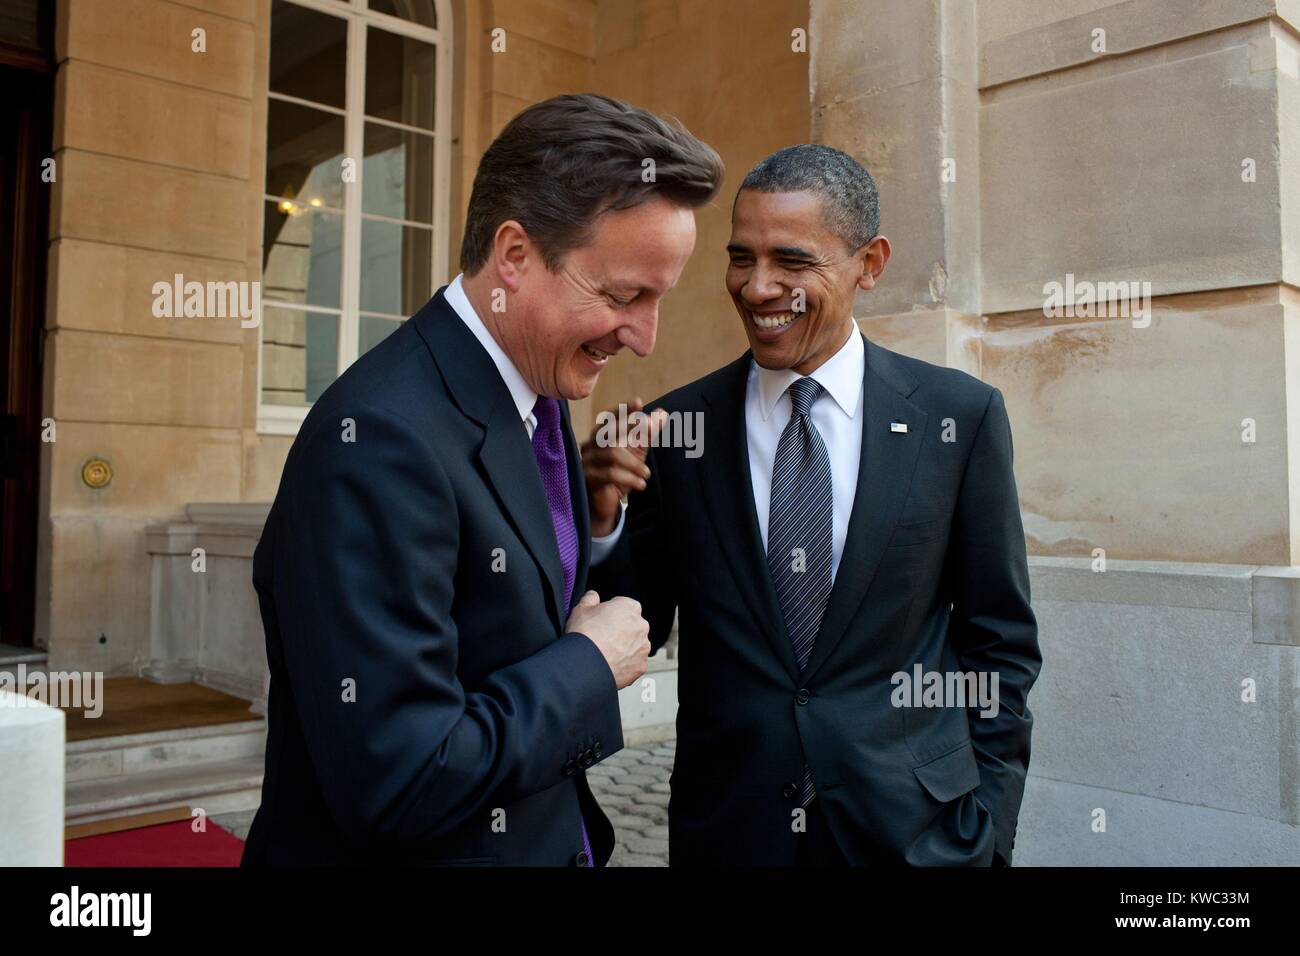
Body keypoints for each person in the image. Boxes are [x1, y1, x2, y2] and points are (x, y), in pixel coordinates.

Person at [242, 93, 724, 866]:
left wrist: (595, 526)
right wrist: (589, 668)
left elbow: (508, 611)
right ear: (514, 256)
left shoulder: (533, 392)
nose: (643, 336)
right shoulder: (377, 442)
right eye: (624, 295)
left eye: (659, 298)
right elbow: (400, 778)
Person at [584, 144, 1041, 866]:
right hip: (732, 833)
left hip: (917, 834)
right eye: (741, 257)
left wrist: (988, 828)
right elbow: (627, 629)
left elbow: (1000, 643)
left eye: (792, 262)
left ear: (871, 262)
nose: (758, 287)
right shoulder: (675, 432)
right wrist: (602, 516)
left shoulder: (958, 419)